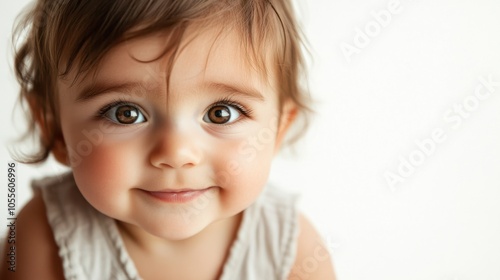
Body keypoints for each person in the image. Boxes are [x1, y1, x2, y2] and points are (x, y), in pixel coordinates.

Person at [1, 0, 336, 279]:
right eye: (125, 113)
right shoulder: (41, 242)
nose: (176, 154)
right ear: (54, 129)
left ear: (277, 130)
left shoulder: (291, 253)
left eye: (221, 113)